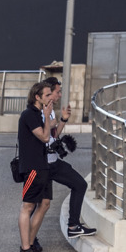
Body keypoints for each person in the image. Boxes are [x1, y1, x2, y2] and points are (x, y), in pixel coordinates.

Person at [41, 76, 97, 239]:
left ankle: (73, 225)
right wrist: (50, 123)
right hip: (42, 164)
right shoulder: (40, 111)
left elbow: (53, 135)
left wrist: (63, 120)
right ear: (48, 93)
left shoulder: (50, 111)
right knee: (39, 205)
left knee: (79, 184)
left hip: (53, 162)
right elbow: (43, 136)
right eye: (57, 92)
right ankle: (29, 242)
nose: (59, 95)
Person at [16, 80, 54, 252]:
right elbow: (45, 137)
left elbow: (51, 134)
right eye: (47, 95)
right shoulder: (30, 114)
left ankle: (30, 244)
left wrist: (58, 119)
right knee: (28, 206)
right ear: (37, 97)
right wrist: (47, 117)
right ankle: (25, 249)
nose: (50, 97)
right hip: (32, 168)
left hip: (42, 166)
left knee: (45, 203)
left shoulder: (39, 114)